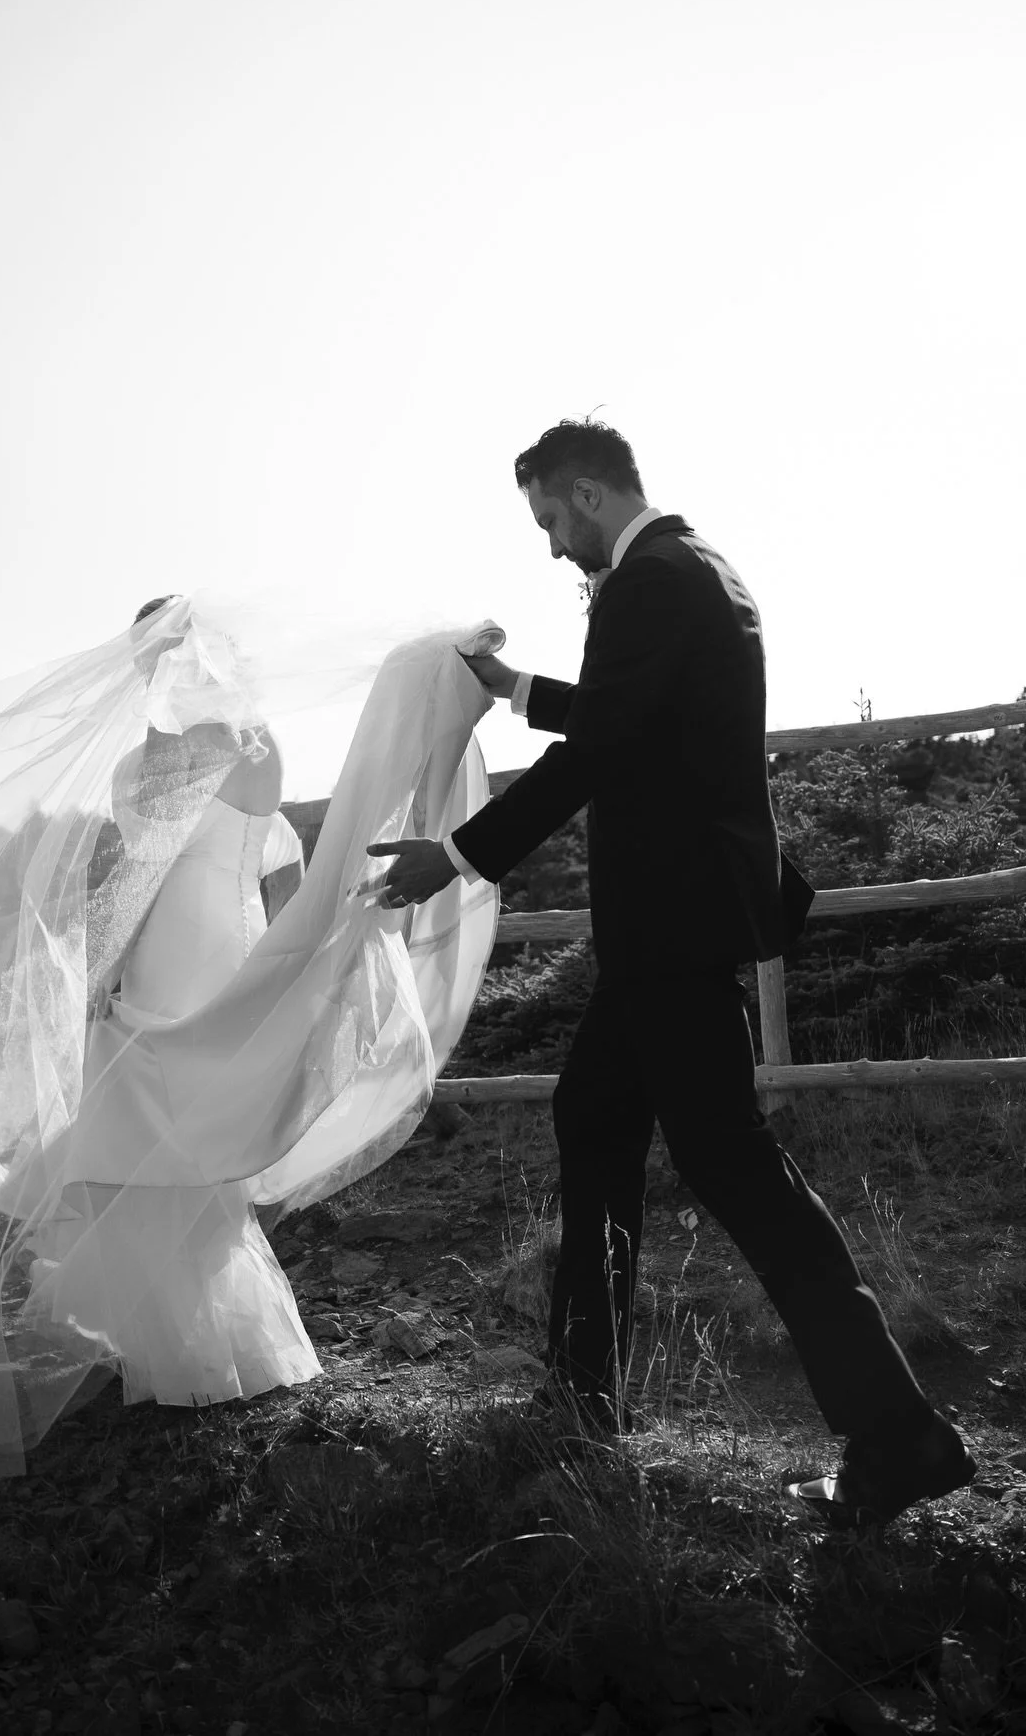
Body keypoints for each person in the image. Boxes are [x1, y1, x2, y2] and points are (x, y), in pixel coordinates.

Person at [366, 418, 975, 1529]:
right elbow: (626, 717)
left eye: (552, 518)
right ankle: (583, 1395)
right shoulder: (694, 568)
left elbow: (599, 751)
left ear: (590, 493)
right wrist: (511, 685)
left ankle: (901, 1432)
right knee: (592, 1117)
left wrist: (455, 856)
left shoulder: (652, 583)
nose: (553, 544)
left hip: (672, 933)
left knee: (735, 1168)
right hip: (667, 935)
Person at [0, 595, 502, 1571]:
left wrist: (115, 971)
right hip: (203, 956)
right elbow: (216, 874)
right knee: (158, 1146)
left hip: (182, 966)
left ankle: (187, 1351)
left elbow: (146, 883)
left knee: (146, 1143)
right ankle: (185, 1347)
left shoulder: (164, 760)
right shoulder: (235, 750)